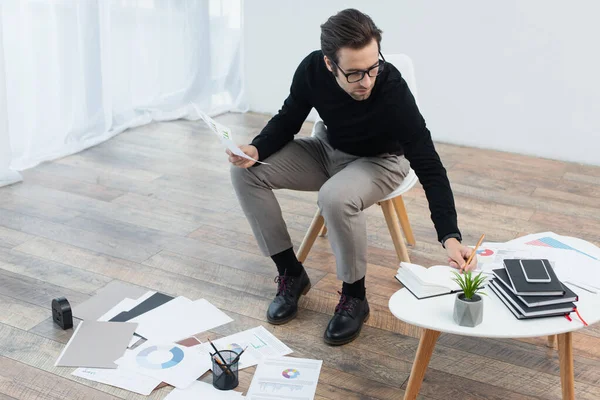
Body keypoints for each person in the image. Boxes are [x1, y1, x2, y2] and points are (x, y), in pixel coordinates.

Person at [228, 8, 477, 346]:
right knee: (245, 173)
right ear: (330, 64)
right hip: (328, 149)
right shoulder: (312, 70)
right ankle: (290, 272)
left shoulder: (392, 89)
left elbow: (428, 161)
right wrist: (256, 150)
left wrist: (449, 235)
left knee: (335, 196)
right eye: (356, 73)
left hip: (382, 162)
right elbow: (288, 119)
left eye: (374, 67)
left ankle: (355, 297)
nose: (367, 81)